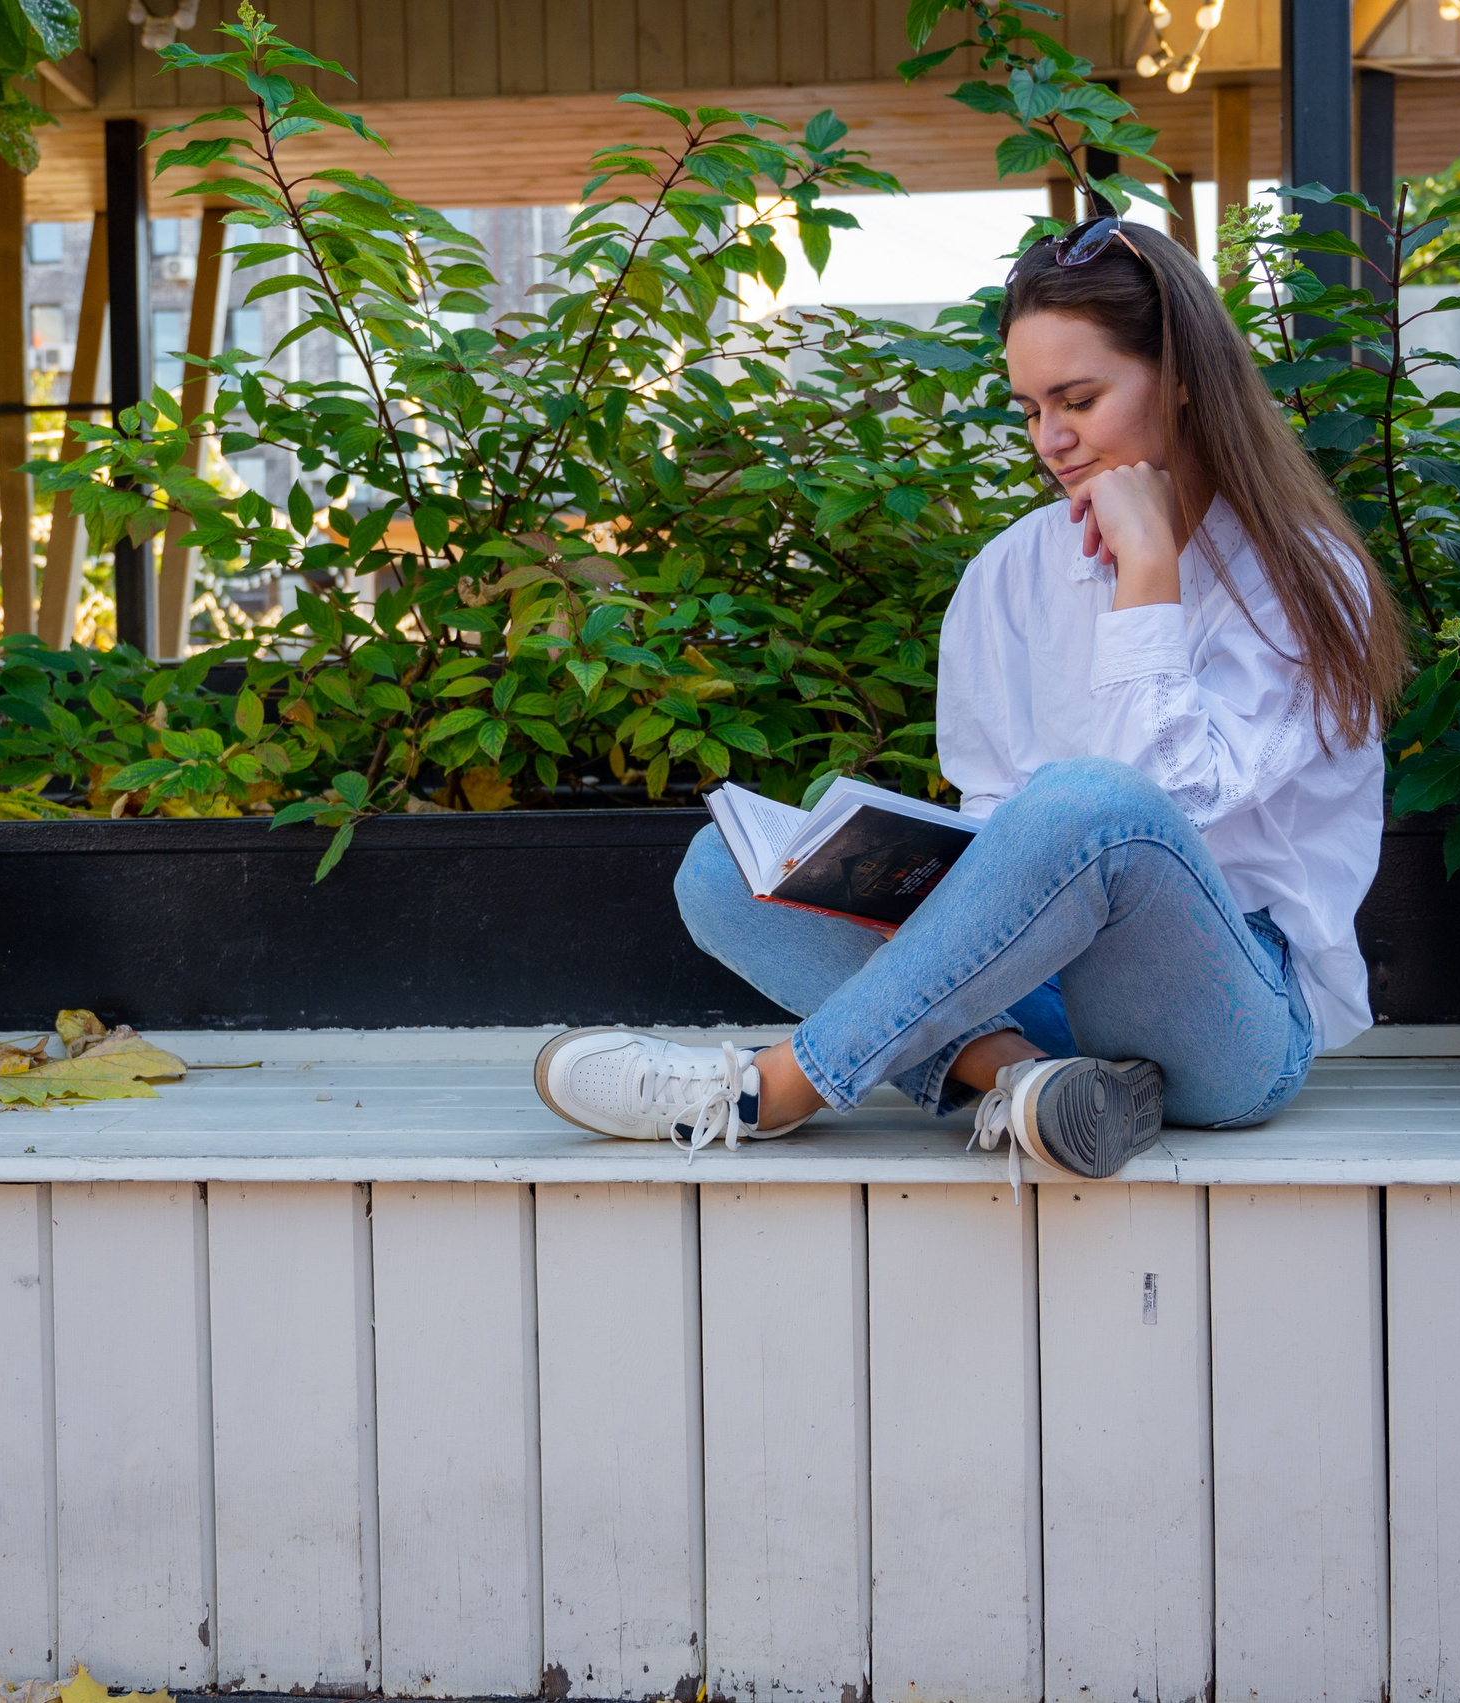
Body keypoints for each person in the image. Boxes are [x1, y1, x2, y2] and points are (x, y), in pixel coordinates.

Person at [532, 214, 1407, 1181]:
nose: (1053, 440)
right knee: (723, 869)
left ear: (1183, 376)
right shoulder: (1009, 574)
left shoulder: (1303, 579)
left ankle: (770, 1088)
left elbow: (1167, 806)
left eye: (1080, 399)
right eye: (1030, 410)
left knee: (1090, 800)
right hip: (1037, 980)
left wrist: (1148, 570)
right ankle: (1038, 1083)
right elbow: (995, 819)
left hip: (1231, 1011)